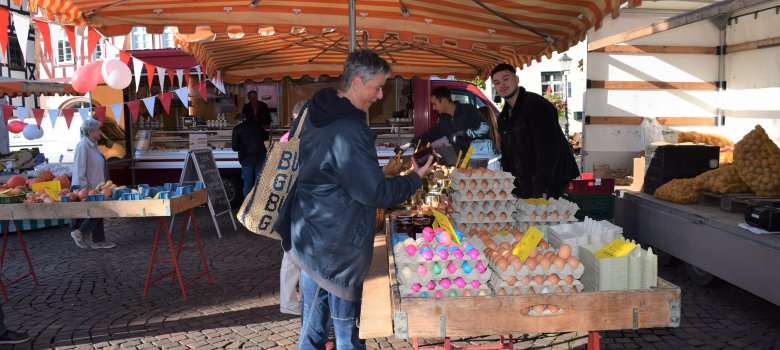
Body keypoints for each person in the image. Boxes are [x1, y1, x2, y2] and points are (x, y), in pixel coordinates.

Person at [274, 50, 433, 350]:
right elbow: (374, 192)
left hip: (311, 236)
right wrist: (415, 178)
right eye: (378, 86)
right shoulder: (350, 128)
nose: (380, 94)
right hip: (336, 246)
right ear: (358, 82)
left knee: (313, 330)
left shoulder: (313, 110)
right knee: (345, 336)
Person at [490, 63, 579, 199]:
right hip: (526, 184)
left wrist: (542, 189)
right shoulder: (504, 116)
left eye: (506, 78)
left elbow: (548, 150)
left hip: (551, 183)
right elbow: (508, 154)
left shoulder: (537, 106)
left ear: (517, 79)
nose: (502, 85)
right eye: (496, 82)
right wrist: (510, 184)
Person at [278, 100, 308, 316]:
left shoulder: (285, 139)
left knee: (291, 254)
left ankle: (290, 301)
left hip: (289, 203)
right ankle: (290, 302)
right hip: (297, 203)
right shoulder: (300, 139)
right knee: (293, 254)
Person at [399, 86, 490, 156]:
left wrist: (463, 133)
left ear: (444, 101)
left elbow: (485, 128)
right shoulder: (444, 120)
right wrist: (410, 144)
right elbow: (429, 135)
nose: (433, 108)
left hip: (481, 158)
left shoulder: (468, 109)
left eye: (434, 104)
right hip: (463, 161)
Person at [70, 118, 116, 249]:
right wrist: (83, 189)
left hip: (96, 185)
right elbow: (79, 169)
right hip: (88, 187)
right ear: (91, 132)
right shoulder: (83, 146)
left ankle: (98, 241)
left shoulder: (93, 146)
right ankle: (80, 233)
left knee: (98, 211)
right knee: (97, 212)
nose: (100, 133)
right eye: (98, 130)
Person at [231, 112, 268, 197]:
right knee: (259, 182)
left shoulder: (237, 129)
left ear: (238, 120)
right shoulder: (257, 125)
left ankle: (247, 206)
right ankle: (259, 204)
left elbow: (234, 147)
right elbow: (265, 137)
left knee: (248, 183)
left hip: (246, 157)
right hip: (260, 156)